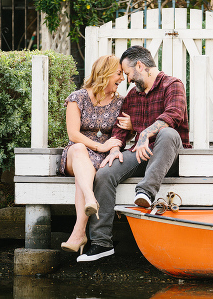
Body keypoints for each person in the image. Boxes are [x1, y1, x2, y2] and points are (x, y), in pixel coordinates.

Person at [78, 45, 191, 262]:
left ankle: (146, 193)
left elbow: (173, 115)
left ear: (140, 66)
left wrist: (143, 133)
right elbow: (121, 128)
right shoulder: (133, 95)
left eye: (128, 74)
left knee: (167, 133)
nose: (128, 80)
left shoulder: (172, 85)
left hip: (170, 156)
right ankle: (101, 243)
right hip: (142, 154)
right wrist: (113, 149)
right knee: (105, 173)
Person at [58, 55, 129, 254]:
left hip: (100, 159)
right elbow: (73, 134)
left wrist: (116, 145)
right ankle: (90, 198)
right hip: (76, 154)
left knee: (85, 176)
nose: (122, 78)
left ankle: (79, 233)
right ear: (105, 73)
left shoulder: (121, 103)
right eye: (119, 73)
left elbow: (119, 135)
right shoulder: (77, 97)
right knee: (80, 150)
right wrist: (100, 147)